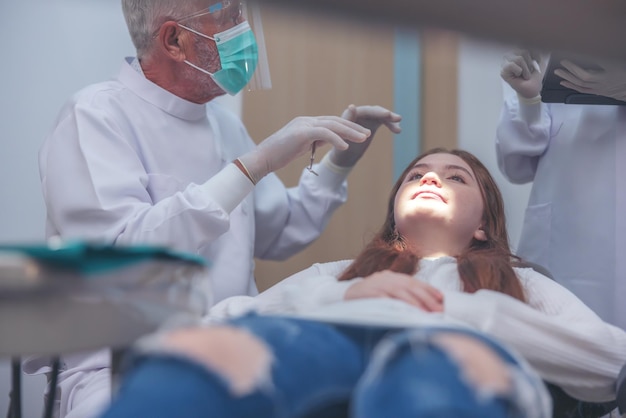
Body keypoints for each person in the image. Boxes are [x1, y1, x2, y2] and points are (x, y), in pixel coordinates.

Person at [32, 0, 402, 417]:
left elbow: (280, 230)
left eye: (243, 13)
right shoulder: (96, 115)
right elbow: (120, 259)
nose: (243, 28)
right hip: (122, 363)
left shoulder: (224, 125)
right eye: (228, 15)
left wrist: (339, 162)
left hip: (235, 344)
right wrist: (252, 166)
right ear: (174, 39)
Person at [96, 148, 626, 418]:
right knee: (201, 368)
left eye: (455, 176)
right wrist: (338, 298)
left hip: (459, 350)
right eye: (416, 175)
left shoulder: (523, 284)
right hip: (331, 337)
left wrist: (472, 317)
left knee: (433, 377)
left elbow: (611, 363)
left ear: (484, 223)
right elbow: (222, 321)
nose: (431, 179)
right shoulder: (336, 275)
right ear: (396, 215)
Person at [497, 49, 626, 330]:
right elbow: (517, 166)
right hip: (571, 228)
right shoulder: (551, 33)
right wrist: (529, 99)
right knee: (562, 340)